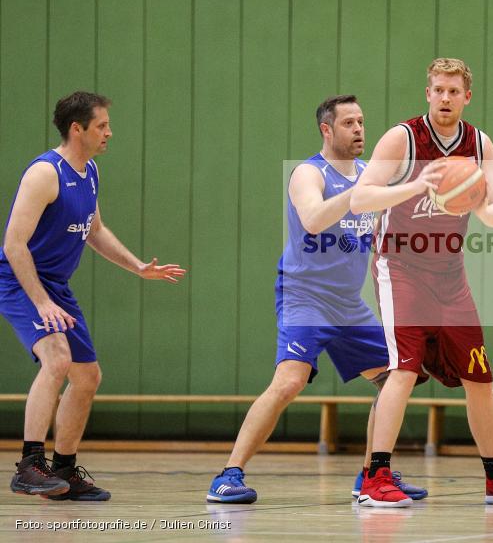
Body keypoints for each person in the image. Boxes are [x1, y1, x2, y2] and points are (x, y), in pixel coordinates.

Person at [206, 95, 426, 504]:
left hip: (349, 304)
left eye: (362, 121)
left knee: (394, 378)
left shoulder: (366, 175)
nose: (359, 129)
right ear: (327, 130)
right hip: (305, 296)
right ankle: (228, 476)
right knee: (288, 382)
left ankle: (372, 475)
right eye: (349, 123)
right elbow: (313, 218)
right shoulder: (309, 174)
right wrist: (362, 192)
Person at [350, 58, 493, 507]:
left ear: (466, 96)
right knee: (404, 369)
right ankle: (375, 476)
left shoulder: (479, 144)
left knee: (480, 375)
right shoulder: (403, 138)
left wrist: (471, 201)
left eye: (454, 92)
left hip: (450, 275)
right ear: (428, 93)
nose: (445, 98)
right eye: (438, 90)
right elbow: (361, 197)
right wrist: (419, 187)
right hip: (399, 267)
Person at [0, 91, 186, 501]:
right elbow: (14, 245)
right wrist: (43, 303)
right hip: (19, 280)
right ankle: (30, 466)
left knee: (87, 376)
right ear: (76, 128)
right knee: (58, 359)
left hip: (55, 287)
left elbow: (95, 231)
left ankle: (64, 472)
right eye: (102, 125)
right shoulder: (44, 174)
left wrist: (138, 266)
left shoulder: (90, 172)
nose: (109, 132)